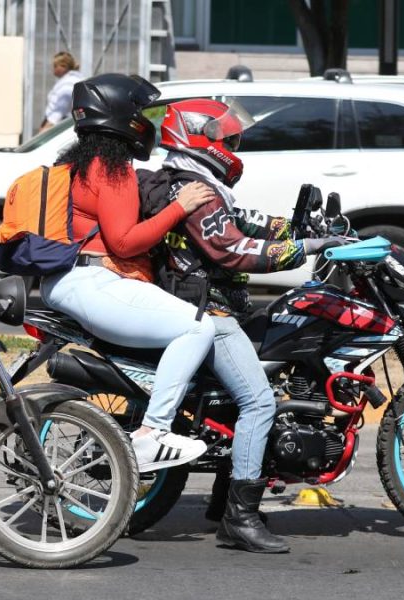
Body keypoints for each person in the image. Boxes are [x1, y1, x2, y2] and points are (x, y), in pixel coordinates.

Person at [140, 98, 343, 553]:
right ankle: (240, 518)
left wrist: (300, 228)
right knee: (258, 402)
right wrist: (309, 248)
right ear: (199, 138)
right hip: (207, 311)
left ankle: (221, 501)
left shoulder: (196, 182)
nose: (233, 144)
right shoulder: (195, 189)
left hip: (208, 304)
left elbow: (243, 222)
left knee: (256, 383)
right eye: (227, 137)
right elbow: (233, 251)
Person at [40, 73, 218, 473]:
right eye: (141, 112)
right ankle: (152, 433)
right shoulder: (113, 169)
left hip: (69, 281)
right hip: (92, 282)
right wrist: (181, 207)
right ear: (121, 116)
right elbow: (124, 242)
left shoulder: (78, 161)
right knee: (197, 328)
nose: (146, 121)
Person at [39, 51, 83, 132]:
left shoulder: (68, 84)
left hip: (58, 126)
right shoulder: (72, 81)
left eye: (55, 66)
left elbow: (60, 110)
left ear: (64, 66)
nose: (53, 69)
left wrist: (46, 129)